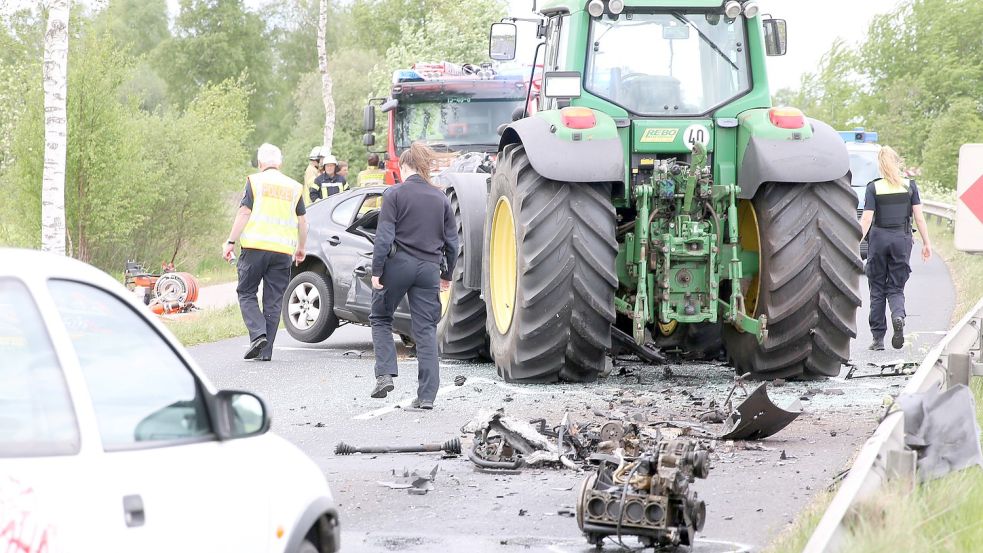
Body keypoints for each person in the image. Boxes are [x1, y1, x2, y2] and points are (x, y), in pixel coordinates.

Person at [369, 142, 459, 409]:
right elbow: (453, 243)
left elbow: (384, 236)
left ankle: (385, 373)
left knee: (381, 317)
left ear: (405, 166)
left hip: (399, 265)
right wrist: (447, 274)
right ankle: (427, 396)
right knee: (426, 330)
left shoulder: (394, 194)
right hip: (429, 269)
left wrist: (377, 270)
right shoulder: (440, 198)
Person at [223, 143, 307, 361]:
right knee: (273, 301)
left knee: (246, 292)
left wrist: (230, 241)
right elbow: (303, 222)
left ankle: (258, 334)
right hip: (282, 252)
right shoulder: (294, 187)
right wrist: (301, 248)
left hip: (255, 249)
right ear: (279, 163)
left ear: (260, 163)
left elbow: (244, 212)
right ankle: (265, 351)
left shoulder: (255, 181)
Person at [859, 146, 932, 351]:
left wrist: (853, 241)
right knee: (896, 287)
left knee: (877, 289)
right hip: (902, 239)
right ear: (897, 162)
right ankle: (898, 316)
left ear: (880, 166)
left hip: (879, 238)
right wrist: (927, 243)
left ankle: (878, 339)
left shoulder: (874, 188)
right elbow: (919, 217)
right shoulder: (910, 186)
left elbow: (866, 219)